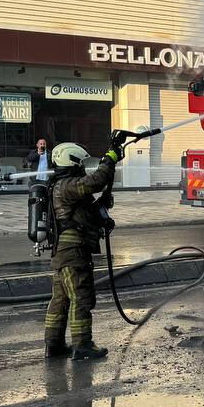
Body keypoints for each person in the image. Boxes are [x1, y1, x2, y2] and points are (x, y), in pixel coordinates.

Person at [44, 141, 124, 361]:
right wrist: (110, 158)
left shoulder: (60, 186)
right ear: (71, 162)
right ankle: (82, 346)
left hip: (64, 252)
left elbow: (86, 209)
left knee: (61, 299)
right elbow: (96, 181)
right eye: (80, 164)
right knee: (81, 297)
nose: (83, 168)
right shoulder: (68, 185)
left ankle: (54, 345)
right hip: (73, 252)